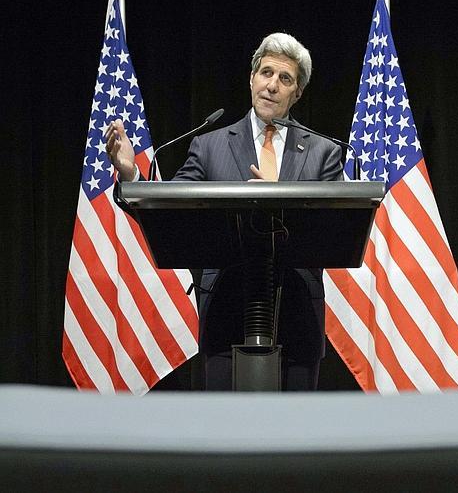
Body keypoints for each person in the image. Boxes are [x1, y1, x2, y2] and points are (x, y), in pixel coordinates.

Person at [106, 33, 343, 390]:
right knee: (226, 434)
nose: (272, 86)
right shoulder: (209, 144)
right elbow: (173, 209)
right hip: (225, 312)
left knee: (296, 437)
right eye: (266, 73)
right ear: (251, 79)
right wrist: (131, 175)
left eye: (285, 79)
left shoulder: (324, 152)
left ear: (297, 93)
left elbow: (334, 229)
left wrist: (276, 203)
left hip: (297, 314)